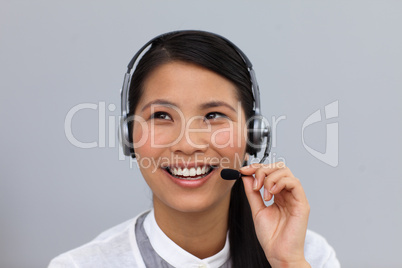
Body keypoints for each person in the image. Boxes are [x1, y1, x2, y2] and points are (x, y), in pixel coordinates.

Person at [49, 30, 340, 268]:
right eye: (161, 116)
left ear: (253, 135)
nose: (188, 145)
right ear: (129, 136)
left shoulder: (308, 256)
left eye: (214, 115)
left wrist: (287, 262)